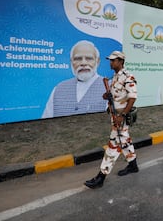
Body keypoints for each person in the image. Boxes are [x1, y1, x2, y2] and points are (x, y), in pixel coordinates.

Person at [84, 51, 138, 189]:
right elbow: (117, 95)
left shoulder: (128, 77)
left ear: (121, 61)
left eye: (113, 60)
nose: (111, 62)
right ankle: (133, 165)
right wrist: (107, 95)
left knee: (114, 145)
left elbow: (132, 98)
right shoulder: (114, 77)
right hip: (115, 116)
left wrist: (123, 115)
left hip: (121, 117)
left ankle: (101, 176)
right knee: (125, 140)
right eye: (110, 60)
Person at [42, 40, 106, 118]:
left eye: (89, 58)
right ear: (71, 62)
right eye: (78, 59)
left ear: (98, 61)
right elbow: (45, 121)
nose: (83, 63)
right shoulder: (58, 89)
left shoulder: (110, 87)